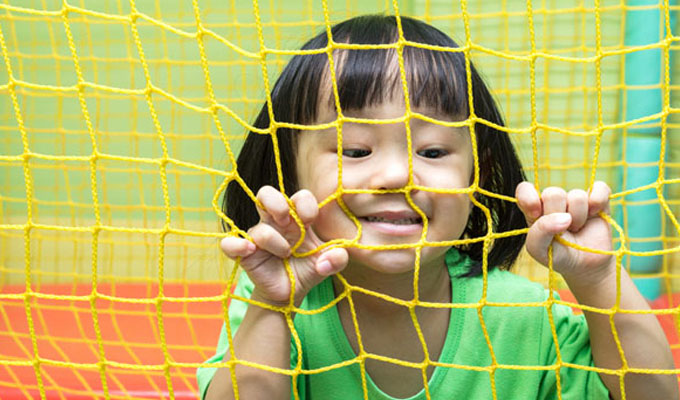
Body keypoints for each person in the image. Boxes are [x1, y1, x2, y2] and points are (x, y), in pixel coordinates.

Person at [197, 15, 677, 400]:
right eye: (356, 150)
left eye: (432, 152)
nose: (398, 175)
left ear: (478, 177)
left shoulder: (526, 318)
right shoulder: (276, 309)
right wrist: (271, 310)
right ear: (288, 174)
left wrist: (598, 279)